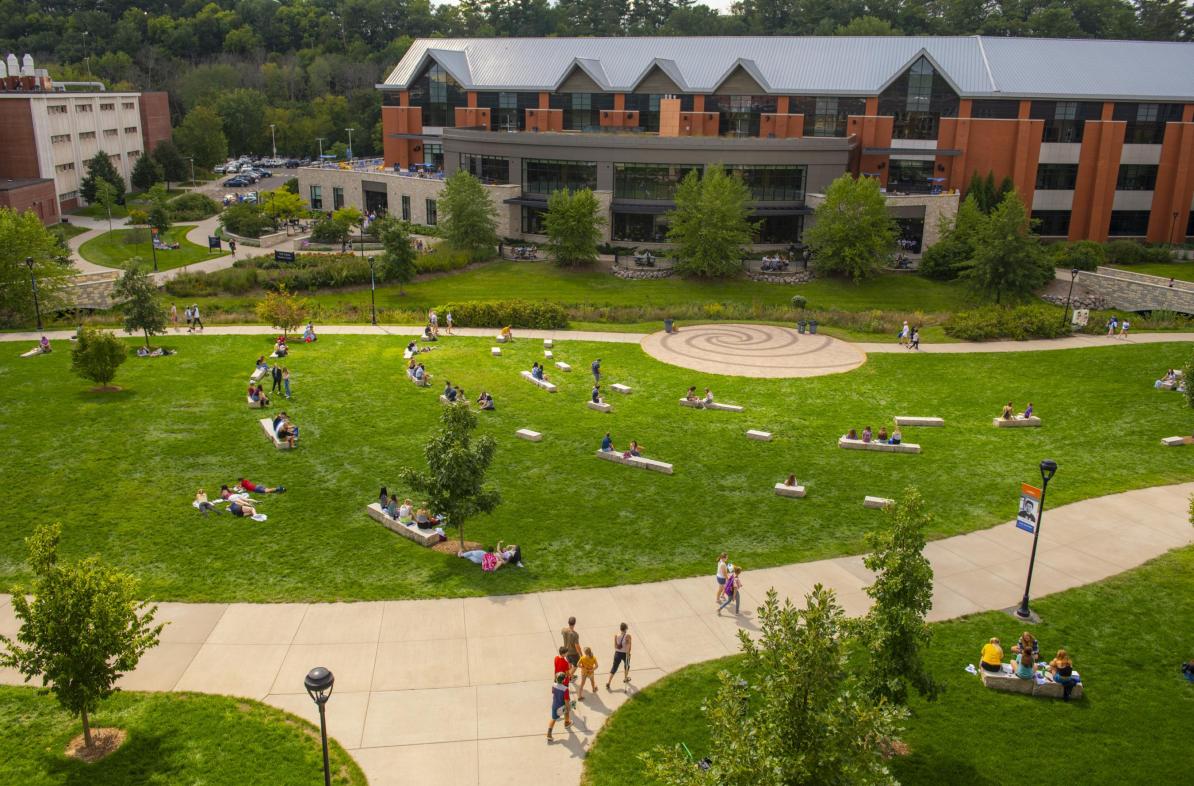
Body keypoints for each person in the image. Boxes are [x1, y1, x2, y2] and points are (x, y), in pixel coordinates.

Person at [546, 672, 572, 741]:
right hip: (562, 706)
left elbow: (553, 692)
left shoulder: (553, 685)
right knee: (567, 712)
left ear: (556, 679)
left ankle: (549, 733)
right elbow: (566, 700)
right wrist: (568, 707)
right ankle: (567, 723)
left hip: (554, 705)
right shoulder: (565, 689)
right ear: (563, 680)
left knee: (553, 719)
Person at [605, 623, 632, 689]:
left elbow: (615, 646)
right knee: (627, 666)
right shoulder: (628, 636)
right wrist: (628, 654)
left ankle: (608, 682)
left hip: (617, 653)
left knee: (614, 667)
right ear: (625, 629)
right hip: (625, 654)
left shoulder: (616, 636)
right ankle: (625, 678)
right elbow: (629, 647)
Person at [561, 617, 583, 683]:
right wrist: (581, 654)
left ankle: (571, 676)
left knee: (569, 664)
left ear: (568, 622)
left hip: (566, 652)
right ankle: (568, 677)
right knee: (576, 665)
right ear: (574, 623)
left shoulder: (563, 630)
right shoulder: (575, 634)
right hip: (574, 653)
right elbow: (577, 646)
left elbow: (563, 633)